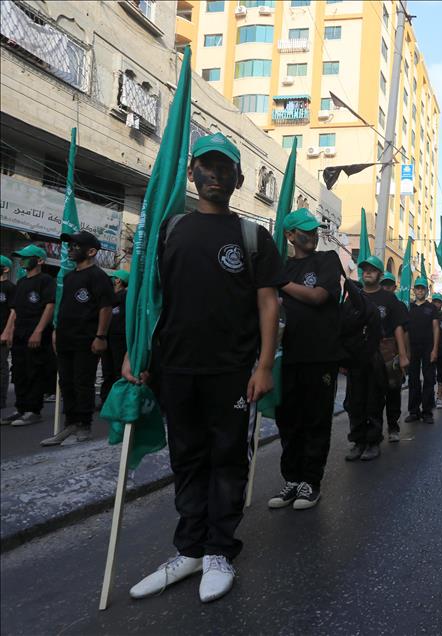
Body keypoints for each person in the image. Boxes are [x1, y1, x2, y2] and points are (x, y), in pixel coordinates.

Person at [127, 133, 284, 603]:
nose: (216, 176)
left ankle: (219, 550)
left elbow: (268, 306)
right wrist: (137, 352)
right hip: (176, 368)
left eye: (225, 169)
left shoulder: (252, 237)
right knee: (187, 458)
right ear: (192, 171)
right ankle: (189, 549)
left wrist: (263, 366)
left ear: (238, 179)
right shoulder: (170, 229)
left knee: (227, 461)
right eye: (207, 167)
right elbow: (151, 299)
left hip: (233, 372)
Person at [267, 209, 342, 510]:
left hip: (320, 356)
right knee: (288, 421)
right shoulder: (282, 266)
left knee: (316, 419)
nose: (311, 235)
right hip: (286, 358)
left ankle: (311, 481)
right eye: (304, 231)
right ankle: (293, 479)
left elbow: (318, 296)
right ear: (289, 235)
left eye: (313, 230)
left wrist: (280, 284)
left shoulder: (327, 260)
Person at [42, 231, 114, 446]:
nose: (71, 248)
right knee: (66, 382)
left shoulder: (98, 276)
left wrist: (100, 336)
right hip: (65, 339)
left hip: (86, 340)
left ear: (91, 251)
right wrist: (56, 331)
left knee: (83, 383)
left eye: (76, 245)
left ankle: (84, 425)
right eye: (70, 245)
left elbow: (106, 308)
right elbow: (64, 307)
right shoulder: (69, 276)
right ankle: (71, 423)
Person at [348, 256, 409, 458]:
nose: (367, 272)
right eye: (364, 269)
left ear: (380, 274)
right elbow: (345, 328)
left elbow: (398, 328)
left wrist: (402, 355)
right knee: (355, 401)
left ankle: (373, 442)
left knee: (374, 399)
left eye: (372, 270)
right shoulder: (353, 297)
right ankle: (358, 442)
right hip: (356, 356)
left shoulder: (389, 299)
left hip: (380, 355)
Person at [0, 245, 55, 427]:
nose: (23, 261)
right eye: (21, 257)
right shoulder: (22, 282)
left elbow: (49, 306)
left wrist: (38, 331)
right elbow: (14, 310)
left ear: (39, 260)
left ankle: (33, 410)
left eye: (27, 257)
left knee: (34, 371)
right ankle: (21, 408)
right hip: (20, 334)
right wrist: (8, 330)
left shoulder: (45, 281)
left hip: (36, 334)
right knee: (19, 371)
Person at [405, 277, 439, 424]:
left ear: (426, 290)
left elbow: (436, 329)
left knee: (429, 379)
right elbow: (405, 330)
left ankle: (427, 412)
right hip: (412, 348)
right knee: (413, 379)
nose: (420, 290)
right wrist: (406, 351)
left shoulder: (431, 308)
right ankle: (414, 411)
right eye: (417, 288)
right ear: (414, 290)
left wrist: (435, 350)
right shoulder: (409, 308)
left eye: (422, 288)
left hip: (428, 348)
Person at [99, 269, 129, 408]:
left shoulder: (125, 296)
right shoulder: (110, 297)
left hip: (120, 338)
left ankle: (118, 400)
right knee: (107, 370)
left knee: (118, 369)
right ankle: (105, 400)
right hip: (107, 336)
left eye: (114, 278)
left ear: (118, 280)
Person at [379, 271, 403, 440]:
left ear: (395, 287)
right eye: (384, 284)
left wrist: (404, 354)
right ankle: (375, 430)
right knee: (375, 393)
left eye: (389, 285)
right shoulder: (370, 301)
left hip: (392, 352)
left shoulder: (399, 305)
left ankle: (393, 427)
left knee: (393, 390)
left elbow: (403, 331)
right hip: (373, 352)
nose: (386, 288)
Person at [0, 256, 16, 414]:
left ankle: (1, 398)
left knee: (1, 365)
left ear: (5, 269)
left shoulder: (10, 287)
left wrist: (8, 331)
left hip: (2, 332)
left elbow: (14, 311)